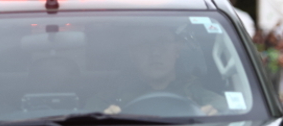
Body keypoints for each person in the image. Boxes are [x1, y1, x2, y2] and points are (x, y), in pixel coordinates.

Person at [86, 25, 226, 116]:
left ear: (177, 49)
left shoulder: (203, 98)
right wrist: (103, 120)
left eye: (162, 42)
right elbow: (86, 116)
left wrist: (216, 115)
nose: (155, 52)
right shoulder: (107, 101)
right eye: (144, 44)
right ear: (132, 54)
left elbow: (232, 112)